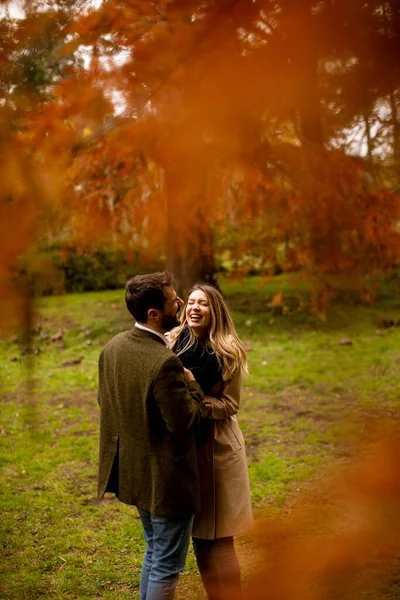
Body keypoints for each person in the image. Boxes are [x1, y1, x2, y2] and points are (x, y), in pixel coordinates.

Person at [97, 271, 206, 600]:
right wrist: (192, 384)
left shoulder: (113, 347)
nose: (181, 303)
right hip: (166, 482)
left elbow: (107, 403)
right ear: (154, 314)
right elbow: (186, 423)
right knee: (166, 565)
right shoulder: (165, 363)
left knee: (154, 553)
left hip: (135, 474)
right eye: (174, 300)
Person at [169, 284, 252, 600]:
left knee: (219, 538)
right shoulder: (173, 342)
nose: (194, 308)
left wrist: (195, 399)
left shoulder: (228, 350)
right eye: (190, 302)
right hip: (184, 449)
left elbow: (230, 405)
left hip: (217, 451)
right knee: (199, 538)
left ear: (215, 310)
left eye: (202, 303)